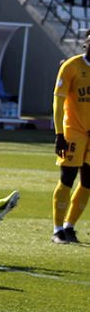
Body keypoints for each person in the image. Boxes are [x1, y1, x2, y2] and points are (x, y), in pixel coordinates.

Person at [51, 31, 90, 244]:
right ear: (86, 43)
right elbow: (58, 101)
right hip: (73, 130)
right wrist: (59, 134)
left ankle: (70, 227)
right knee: (67, 177)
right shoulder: (72, 66)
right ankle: (57, 230)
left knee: (88, 181)